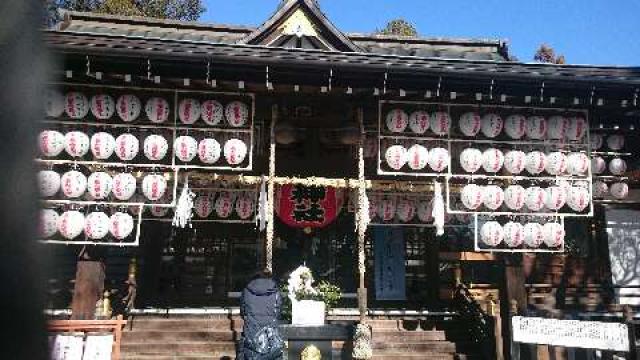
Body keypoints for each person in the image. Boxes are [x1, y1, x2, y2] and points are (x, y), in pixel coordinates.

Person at [237, 269, 284, 360]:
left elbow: (243, 311)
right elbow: (278, 311)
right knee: (272, 353)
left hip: (252, 329)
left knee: (251, 353)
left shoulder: (247, 290)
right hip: (270, 330)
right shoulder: (275, 291)